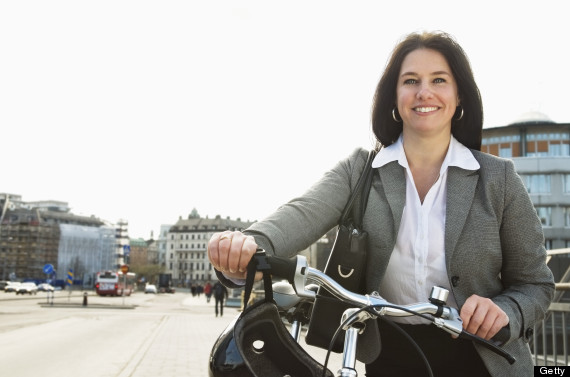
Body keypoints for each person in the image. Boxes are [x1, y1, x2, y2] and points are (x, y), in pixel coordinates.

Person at [207, 31, 554, 377]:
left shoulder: (498, 179)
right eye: (411, 81)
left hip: (481, 360)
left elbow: (536, 284)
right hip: (388, 357)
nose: (424, 92)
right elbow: (299, 214)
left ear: (459, 94)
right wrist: (246, 245)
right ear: (394, 96)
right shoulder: (361, 171)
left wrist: (506, 310)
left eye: (439, 80)